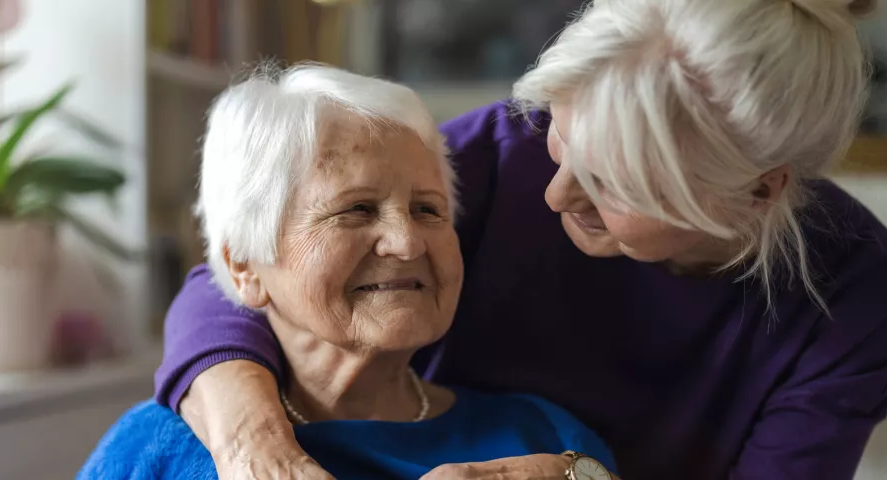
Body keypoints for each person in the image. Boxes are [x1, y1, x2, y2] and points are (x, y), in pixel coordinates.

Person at [155, 0, 887, 478]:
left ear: (760, 190)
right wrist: (254, 447)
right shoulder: (506, 151)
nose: (555, 195)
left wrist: (578, 477)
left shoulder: (856, 288)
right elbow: (247, 270)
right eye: (563, 139)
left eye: (615, 184)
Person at [78, 64, 619, 480]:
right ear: (244, 266)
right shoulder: (158, 448)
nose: (407, 242)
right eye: (355, 209)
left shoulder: (548, 438)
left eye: (428, 210)